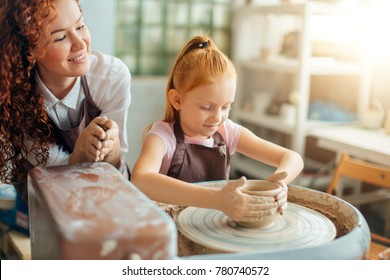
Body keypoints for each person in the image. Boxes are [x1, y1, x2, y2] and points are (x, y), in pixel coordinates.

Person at [131, 35, 304, 224]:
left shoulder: (226, 132)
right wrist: (215, 199)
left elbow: (293, 158)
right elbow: (141, 179)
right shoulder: (163, 136)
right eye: (207, 107)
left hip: (211, 226)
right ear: (177, 100)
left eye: (225, 107)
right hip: (169, 229)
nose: (217, 117)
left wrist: (278, 184)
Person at [0, 0, 132, 204]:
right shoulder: (15, 98)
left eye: (80, 26)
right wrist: (81, 152)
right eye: (61, 37)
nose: (80, 43)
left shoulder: (112, 77)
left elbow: (115, 163)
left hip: (104, 190)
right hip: (45, 199)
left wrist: (108, 144)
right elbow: (54, 171)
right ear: (29, 50)